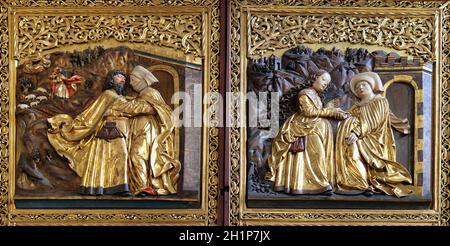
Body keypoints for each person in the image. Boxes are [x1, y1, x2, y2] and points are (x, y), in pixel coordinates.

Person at [47, 69, 153, 196]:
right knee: (120, 155)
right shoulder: (109, 94)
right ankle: (119, 187)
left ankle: (114, 186)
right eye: (119, 77)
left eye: (123, 78)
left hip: (121, 130)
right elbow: (126, 108)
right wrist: (149, 107)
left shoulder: (120, 97)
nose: (123, 79)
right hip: (111, 130)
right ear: (111, 80)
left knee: (116, 157)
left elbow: (123, 106)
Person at [266, 69, 348, 195]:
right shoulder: (305, 93)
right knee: (317, 154)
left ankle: (320, 182)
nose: (325, 84)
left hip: (314, 127)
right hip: (303, 127)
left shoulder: (316, 96)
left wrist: (335, 111)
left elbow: (319, 112)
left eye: (327, 83)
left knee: (320, 154)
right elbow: (308, 112)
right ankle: (319, 183)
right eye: (324, 79)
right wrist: (330, 112)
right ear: (314, 78)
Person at [335, 72, 413, 197]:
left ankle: (364, 183)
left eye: (364, 85)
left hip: (373, 138)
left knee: (357, 155)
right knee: (350, 155)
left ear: (371, 86)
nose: (360, 88)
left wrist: (357, 132)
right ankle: (356, 183)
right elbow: (346, 116)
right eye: (357, 87)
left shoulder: (380, 101)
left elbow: (375, 121)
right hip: (357, 137)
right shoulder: (357, 106)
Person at [124, 65, 181, 196]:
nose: (131, 84)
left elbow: (151, 108)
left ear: (142, 80)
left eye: (133, 80)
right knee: (138, 155)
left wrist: (127, 106)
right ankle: (142, 186)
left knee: (137, 155)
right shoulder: (143, 94)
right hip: (139, 129)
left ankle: (143, 186)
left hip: (147, 129)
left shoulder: (150, 93)